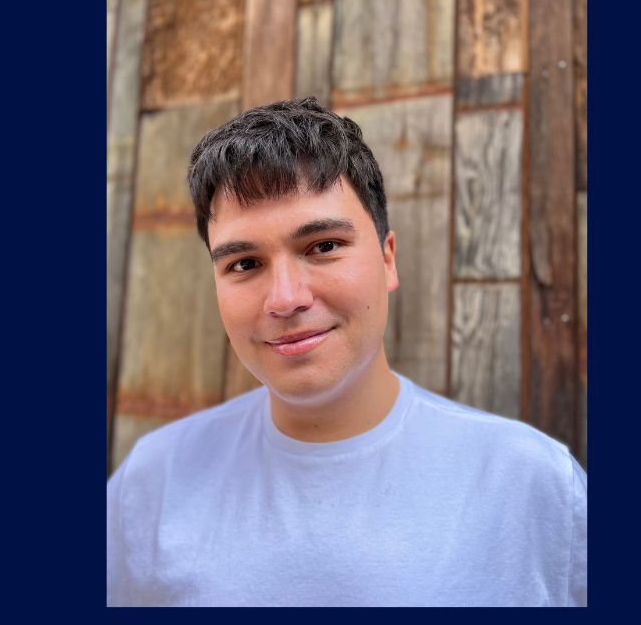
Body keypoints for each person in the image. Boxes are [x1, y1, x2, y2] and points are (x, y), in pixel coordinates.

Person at [106, 97, 587, 607]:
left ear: (387, 260)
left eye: (323, 246)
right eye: (245, 263)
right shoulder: (153, 480)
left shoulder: (530, 482)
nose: (286, 298)